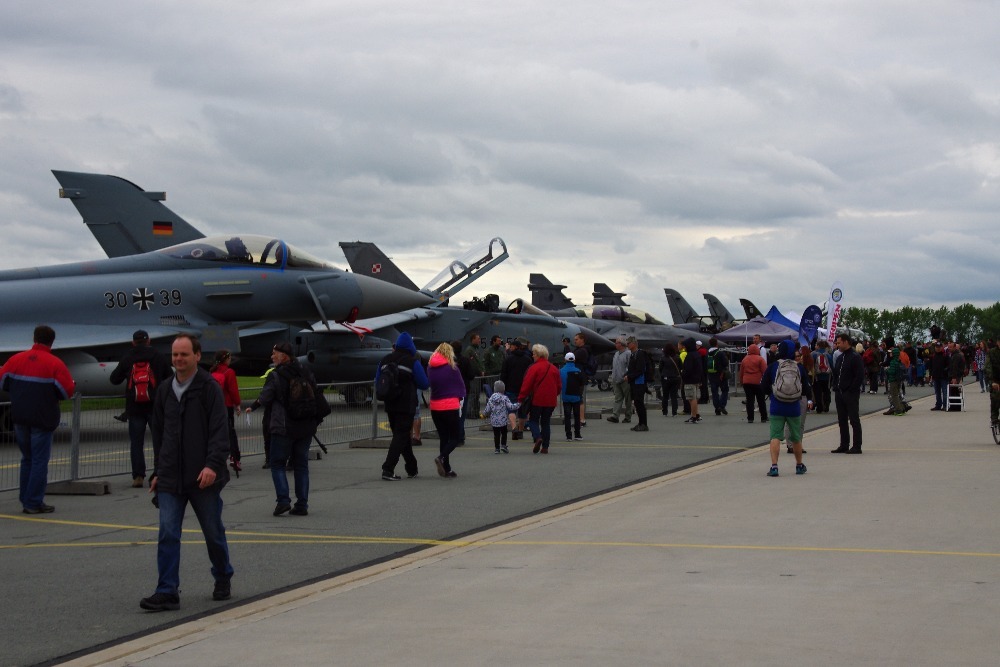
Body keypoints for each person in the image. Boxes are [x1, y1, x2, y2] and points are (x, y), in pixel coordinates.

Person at [140, 334, 233, 611]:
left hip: (203, 477)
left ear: (197, 355)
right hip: (170, 476)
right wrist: (157, 471)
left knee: (212, 531)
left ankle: (223, 576)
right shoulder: (166, 389)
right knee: (168, 532)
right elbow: (160, 434)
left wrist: (212, 466)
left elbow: (220, 431)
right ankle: (167, 590)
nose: (178, 359)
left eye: (184, 354)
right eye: (175, 355)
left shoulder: (208, 388)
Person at [0, 325, 76, 514]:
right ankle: (33, 502)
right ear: (52, 341)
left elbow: (3, 382)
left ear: (34, 339)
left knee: (27, 459)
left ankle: (26, 498)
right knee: (39, 461)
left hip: (19, 417)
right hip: (42, 418)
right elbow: (67, 391)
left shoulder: (15, 359)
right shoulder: (55, 363)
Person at [247, 342, 323, 516]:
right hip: (305, 425)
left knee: (277, 463)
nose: (272, 356)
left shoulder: (276, 375)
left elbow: (266, 397)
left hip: (283, 426)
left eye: (275, 353)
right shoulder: (305, 370)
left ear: (284, 356)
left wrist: (254, 406)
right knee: (301, 465)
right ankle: (302, 504)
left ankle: (283, 500)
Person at [109, 329, 172, 488]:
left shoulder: (127, 357)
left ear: (133, 342)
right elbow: (170, 377)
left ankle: (138, 476)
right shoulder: (158, 356)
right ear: (149, 341)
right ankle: (159, 473)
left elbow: (114, 379)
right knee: (159, 441)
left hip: (134, 407)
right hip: (155, 406)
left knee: (136, 443)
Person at [375, 333, 429, 480]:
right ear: (411, 346)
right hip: (406, 404)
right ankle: (388, 468)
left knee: (402, 436)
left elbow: (378, 381)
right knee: (401, 436)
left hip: (390, 403)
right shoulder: (412, 362)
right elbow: (424, 383)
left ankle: (412, 468)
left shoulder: (385, 360)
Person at [762, 340, 811, 476]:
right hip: (794, 406)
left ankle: (774, 466)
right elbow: (806, 388)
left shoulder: (773, 366)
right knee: (796, 437)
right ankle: (799, 465)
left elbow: (763, 386)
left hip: (777, 405)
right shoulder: (799, 367)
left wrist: (772, 394)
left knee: (775, 436)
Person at [428, 342, 466, 477]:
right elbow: (461, 386)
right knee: (455, 437)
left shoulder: (430, 368)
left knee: (443, 437)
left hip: (435, 406)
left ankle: (447, 468)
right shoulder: (452, 368)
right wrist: (461, 397)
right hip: (450, 406)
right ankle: (442, 457)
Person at [518, 344, 561, 453]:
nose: (532, 356)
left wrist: (521, 398)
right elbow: (559, 386)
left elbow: (526, 385)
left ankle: (537, 437)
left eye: (533, 354)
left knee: (533, 420)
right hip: (550, 400)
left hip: (537, 399)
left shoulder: (534, 368)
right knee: (546, 423)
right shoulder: (554, 368)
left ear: (537, 355)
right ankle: (545, 447)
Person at [209, 350, 243, 476]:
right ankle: (235, 457)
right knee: (230, 433)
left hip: (214, 407)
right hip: (227, 406)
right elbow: (233, 391)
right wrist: (237, 404)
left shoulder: (212, 372)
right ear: (226, 359)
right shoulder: (229, 372)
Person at [831, 333, 864, 454]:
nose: (837, 345)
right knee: (842, 420)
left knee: (854, 419)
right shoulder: (840, 357)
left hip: (850, 393)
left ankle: (857, 446)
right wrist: (835, 386)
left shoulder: (855, 357)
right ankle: (844, 444)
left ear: (846, 342)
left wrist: (851, 389)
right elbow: (836, 373)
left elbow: (859, 375)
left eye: (839, 342)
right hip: (839, 392)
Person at [500, 337, 532, 439]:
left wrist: (503, 386)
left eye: (512, 346)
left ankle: (514, 428)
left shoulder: (508, 359)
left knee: (511, 409)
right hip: (524, 388)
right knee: (522, 411)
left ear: (515, 347)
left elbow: (503, 374)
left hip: (510, 387)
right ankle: (521, 430)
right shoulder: (527, 359)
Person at [624, 336, 650, 432]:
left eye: (628, 343)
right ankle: (640, 423)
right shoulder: (633, 354)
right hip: (635, 382)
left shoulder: (639, 354)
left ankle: (643, 424)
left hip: (639, 382)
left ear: (634, 343)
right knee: (637, 403)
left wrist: (629, 377)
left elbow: (640, 370)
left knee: (639, 403)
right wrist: (628, 374)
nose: (627, 345)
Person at [483, 380, 518, 453]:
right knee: (504, 433)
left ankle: (497, 448)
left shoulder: (491, 398)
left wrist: (484, 413)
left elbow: (488, 409)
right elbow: (511, 407)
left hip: (494, 421)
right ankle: (503, 445)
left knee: (496, 434)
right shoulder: (505, 398)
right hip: (503, 420)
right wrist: (518, 404)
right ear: (503, 389)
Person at [739, 343, 768, 423]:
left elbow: (741, 372)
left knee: (750, 400)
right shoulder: (760, 359)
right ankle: (764, 417)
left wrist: (741, 381)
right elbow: (765, 371)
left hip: (747, 382)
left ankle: (750, 418)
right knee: (761, 400)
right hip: (758, 382)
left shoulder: (745, 359)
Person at [606, 337, 632, 423]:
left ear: (621, 344)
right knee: (618, 398)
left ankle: (628, 417)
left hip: (625, 380)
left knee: (628, 399)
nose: (615, 344)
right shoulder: (616, 354)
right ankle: (615, 416)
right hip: (616, 379)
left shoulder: (628, 353)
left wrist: (627, 375)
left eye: (617, 343)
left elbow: (630, 366)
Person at [560, 352, 584, 440]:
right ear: (574, 360)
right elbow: (582, 383)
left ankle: (568, 435)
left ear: (565, 360)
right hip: (576, 397)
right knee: (577, 416)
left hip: (566, 397)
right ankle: (577, 434)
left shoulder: (561, 371)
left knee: (567, 416)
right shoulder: (578, 371)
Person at [680, 338, 703, 423]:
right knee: (694, 398)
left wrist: (682, 374)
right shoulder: (697, 354)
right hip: (696, 379)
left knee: (691, 398)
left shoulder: (690, 355)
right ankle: (696, 414)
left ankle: (694, 417)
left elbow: (688, 369)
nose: (684, 347)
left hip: (690, 380)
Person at [572, 333, 592, 426]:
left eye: (576, 339)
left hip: (578, 377)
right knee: (578, 398)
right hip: (579, 376)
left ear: (582, 340)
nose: (575, 341)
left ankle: (581, 420)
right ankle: (580, 419)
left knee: (578, 398)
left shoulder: (581, 351)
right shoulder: (581, 350)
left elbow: (569, 359)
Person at [706, 337, 729, 416]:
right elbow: (725, 363)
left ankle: (717, 408)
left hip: (711, 375)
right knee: (725, 390)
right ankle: (722, 405)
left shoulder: (708, 353)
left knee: (714, 392)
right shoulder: (720, 353)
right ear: (717, 344)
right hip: (720, 375)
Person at [659, 343, 682, 417]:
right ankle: (674, 412)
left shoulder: (663, 358)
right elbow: (681, 367)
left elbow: (660, 369)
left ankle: (665, 412)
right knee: (674, 396)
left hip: (665, 378)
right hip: (675, 378)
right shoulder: (678, 357)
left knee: (665, 396)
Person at [811, 340, 833, 413]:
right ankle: (826, 406)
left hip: (817, 376)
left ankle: (819, 407)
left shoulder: (813, 354)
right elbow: (831, 366)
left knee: (818, 392)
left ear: (818, 346)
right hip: (827, 376)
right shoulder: (828, 355)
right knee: (826, 391)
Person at [929, 342, 949, 410]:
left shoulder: (945, 355)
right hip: (935, 376)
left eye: (939, 347)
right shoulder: (933, 356)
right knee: (937, 392)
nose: (938, 348)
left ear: (941, 347)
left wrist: (945, 370)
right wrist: (931, 375)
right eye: (936, 347)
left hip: (943, 377)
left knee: (944, 391)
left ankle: (945, 405)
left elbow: (949, 365)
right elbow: (931, 366)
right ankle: (938, 405)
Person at [986, 339, 1000, 426]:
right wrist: (992, 382)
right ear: (997, 342)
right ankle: (994, 419)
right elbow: (988, 367)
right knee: (995, 399)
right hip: (996, 380)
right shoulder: (992, 352)